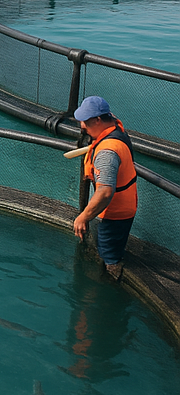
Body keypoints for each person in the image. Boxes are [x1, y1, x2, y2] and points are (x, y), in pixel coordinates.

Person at [71, 95, 137, 281]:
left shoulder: (107, 153)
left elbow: (106, 192)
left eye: (85, 121)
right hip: (125, 204)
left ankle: (112, 279)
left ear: (98, 120)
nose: (82, 125)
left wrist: (83, 217)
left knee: (110, 255)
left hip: (115, 214)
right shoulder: (115, 128)